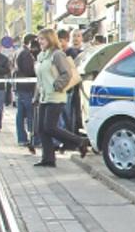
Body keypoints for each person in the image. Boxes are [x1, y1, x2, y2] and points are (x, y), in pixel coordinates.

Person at [33, 28, 89, 167]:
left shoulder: (57, 55)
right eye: (39, 39)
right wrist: (36, 95)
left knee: (50, 127)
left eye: (43, 39)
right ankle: (48, 159)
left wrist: (56, 85)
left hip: (56, 96)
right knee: (42, 129)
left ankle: (79, 141)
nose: (40, 42)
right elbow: (39, 79)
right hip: (44, 96)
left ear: (50, 39)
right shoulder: (41, 56)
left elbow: (67, 74)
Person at [14, 33, 37, 149]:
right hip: (27, 87)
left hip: (20, 86)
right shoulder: (26, 54)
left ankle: (21, 138)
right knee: (29, 113)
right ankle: (31, 138)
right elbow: (28, 70)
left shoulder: (19, 51)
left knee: (20, 113)